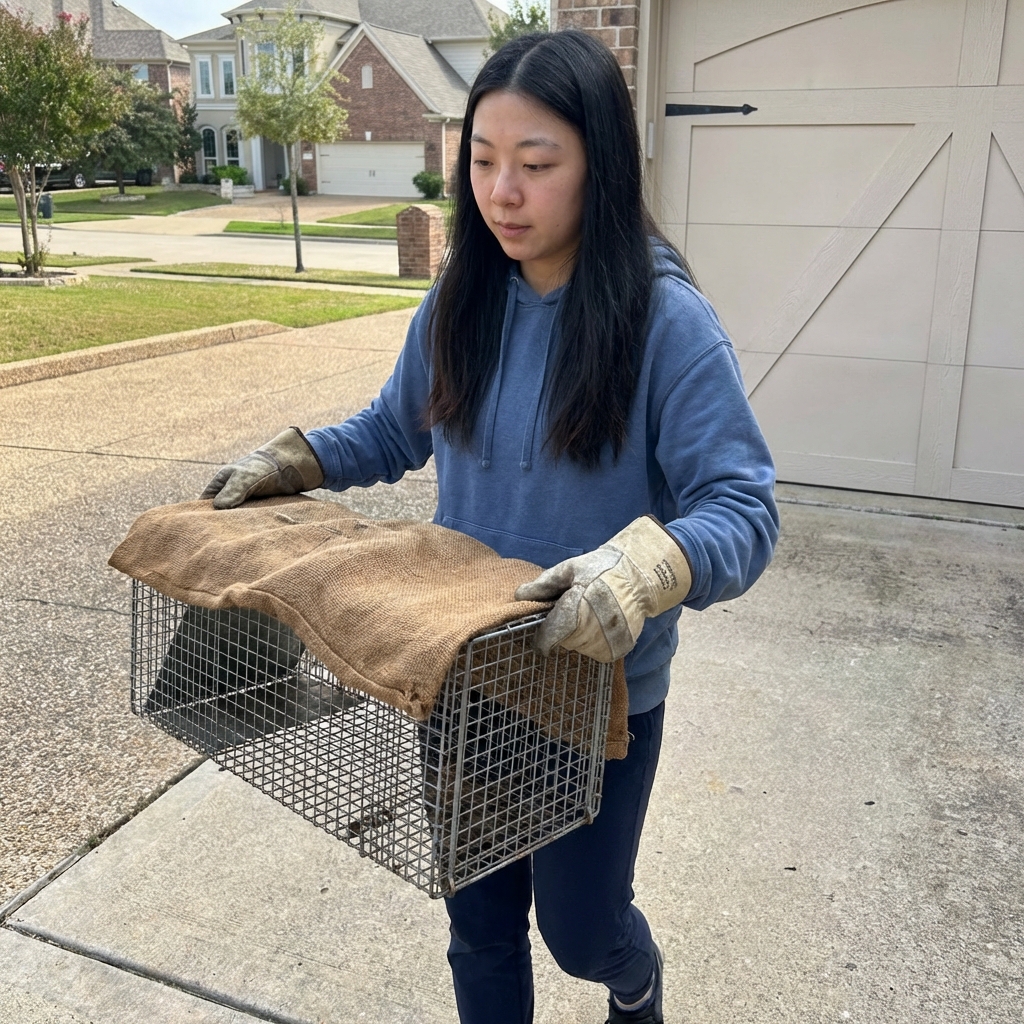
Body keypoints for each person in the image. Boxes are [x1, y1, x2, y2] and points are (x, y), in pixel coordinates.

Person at [202, 29, 779, 1024]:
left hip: (597, 692)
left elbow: (742, 505)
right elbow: (393, 428)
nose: (502, 193)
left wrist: (645, 567)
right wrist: (296, 457)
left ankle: (632, 981)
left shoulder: (666, 324)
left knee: (578, 928)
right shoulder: (460, 296)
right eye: (481, 162)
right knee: (479, 926)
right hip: (467, 672)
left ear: (598, 164)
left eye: (536, 164)